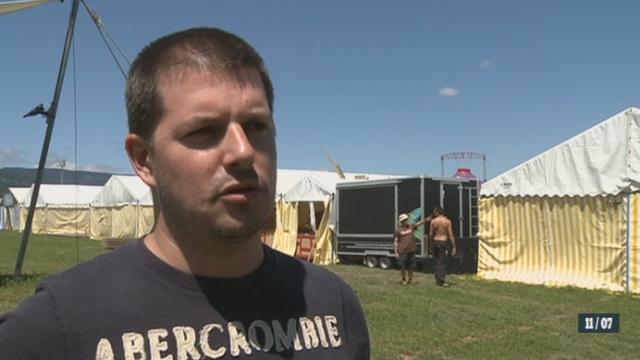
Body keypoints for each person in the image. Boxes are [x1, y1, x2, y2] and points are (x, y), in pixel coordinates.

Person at [0, 27, 370, 359]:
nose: (243, 151)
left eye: (257, 125)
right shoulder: (59, 325)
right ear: (144, 160)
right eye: (204, 131)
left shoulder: (331, 305)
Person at [393, 213, 430, 284]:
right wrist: (396, 252)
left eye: (407, 219)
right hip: (403, 251)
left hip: (411, 250)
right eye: (406, 219)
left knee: (411, 266)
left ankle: (410, 279)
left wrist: (426, 220)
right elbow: (396, 241)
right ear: (402, 221)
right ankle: (403, 279)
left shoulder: (411, 227)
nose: (407, 221)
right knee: (403, 266)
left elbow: (419, 223)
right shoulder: (398, 230)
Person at [429, 206, 456, 287]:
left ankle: (438, 279)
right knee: (442, 262)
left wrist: (430, 244)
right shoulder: (447, 221)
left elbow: (430, 234)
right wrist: (454, 246)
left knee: (437, 261)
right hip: (443, 241)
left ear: (436, 212)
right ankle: (441, 280)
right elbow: (450, 234)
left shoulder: (433, 221)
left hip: (435, 241)